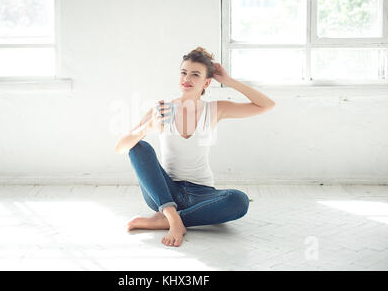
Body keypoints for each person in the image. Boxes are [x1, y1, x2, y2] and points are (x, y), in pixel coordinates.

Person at [114, 47, 275, 247]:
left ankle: (166, 220)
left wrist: (229, 81)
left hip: (202, 194)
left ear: (207, 82)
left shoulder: (215, 109)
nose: (186, 78)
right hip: (164, 191)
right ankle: (173, 219)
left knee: (239, 200)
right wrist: (148, 126)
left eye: (195, 74)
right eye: (183, 72)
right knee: (139, 147)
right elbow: (121, 147)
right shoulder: (161, 109)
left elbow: (267, 105)